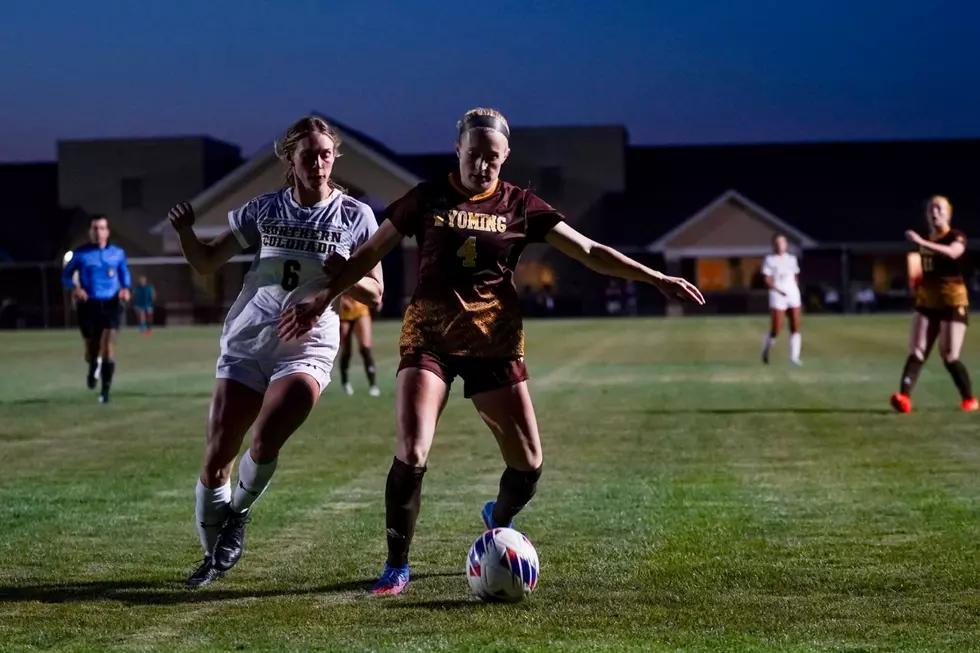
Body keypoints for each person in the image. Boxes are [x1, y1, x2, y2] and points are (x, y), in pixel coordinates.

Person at [278, 107, 705, 595]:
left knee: (528, 465)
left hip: (494, 343)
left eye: (493, 159)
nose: (482, 165)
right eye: (474, 154)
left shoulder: (521, 205)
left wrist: (655, 277)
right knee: (412, 449)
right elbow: (370, 253)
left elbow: (589, 252)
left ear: (505, 159)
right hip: (430, 338)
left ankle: (498, 517)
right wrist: (321, 298)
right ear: (458, 149)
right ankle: (397, 565)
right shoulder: (427, 198)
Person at [168, 116, 383, 588]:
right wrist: (185, 232)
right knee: (217, 456)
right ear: (290, 159)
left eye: (326, 153)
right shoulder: (263, 210)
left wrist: (345, 273)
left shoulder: (354, 216)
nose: (319, 162)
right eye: (308, 154)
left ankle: (238, 515)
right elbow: (206, 261)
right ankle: (212, 558)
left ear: (335, 157)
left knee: (266, 439)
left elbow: (375, 294)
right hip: (249, 341)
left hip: (308, 346)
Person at [891, 196, 977, 413]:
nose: (934, 212)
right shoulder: (927, 236)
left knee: (949, 355)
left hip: (952, 298)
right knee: (917, 349)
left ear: (948, 213)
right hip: (928, 298)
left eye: (939, 208)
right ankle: (904, 397)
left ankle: (969, 398)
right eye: (931, 208)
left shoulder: (955, 236)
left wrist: (922, 243)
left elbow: (953, 252)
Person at [61, 215, 132, 403]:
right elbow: (66, 276)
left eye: (102, 228)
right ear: (90, 232)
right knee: (92, 348)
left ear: (107, 232)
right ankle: (93, 364)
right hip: (89, 304)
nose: (98, 232)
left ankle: (105, 392)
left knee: (108, 345)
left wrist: (125, 289)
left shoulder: (117, 254)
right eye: (95, 228)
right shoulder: (80, 254)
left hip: (111, 303)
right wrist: (76, 288)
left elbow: (124, 275)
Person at [760, 234, 802, 365]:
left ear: (786, 244)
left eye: (783, 242)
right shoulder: (769, 259)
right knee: (776, 328)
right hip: (777, 295)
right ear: (774, 244)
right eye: (777, 242)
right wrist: (777, 290)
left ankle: (794, 358)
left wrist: (793, 289)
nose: (780, 245)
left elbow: (795, 276)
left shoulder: (792, 259)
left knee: (795, 325)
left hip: (792, 294)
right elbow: (767, 278)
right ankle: (766, 349)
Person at [338, 294, 380, 396]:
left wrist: (377, 296)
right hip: (343, 312)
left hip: (360, 309)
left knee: (365, 348)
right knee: (346, 350)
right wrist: (341, 300)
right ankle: (345, 382)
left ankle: (373, 385)